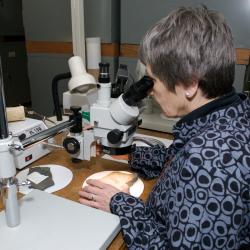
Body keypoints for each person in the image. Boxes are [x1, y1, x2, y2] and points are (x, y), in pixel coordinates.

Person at [78, 6, 250, 249]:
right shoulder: (230, 114)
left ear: (189, 84)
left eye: (152, 79)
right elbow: (176, 159)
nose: (150, 90)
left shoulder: (211, 161)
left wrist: (120, 203)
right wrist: (127, 152)